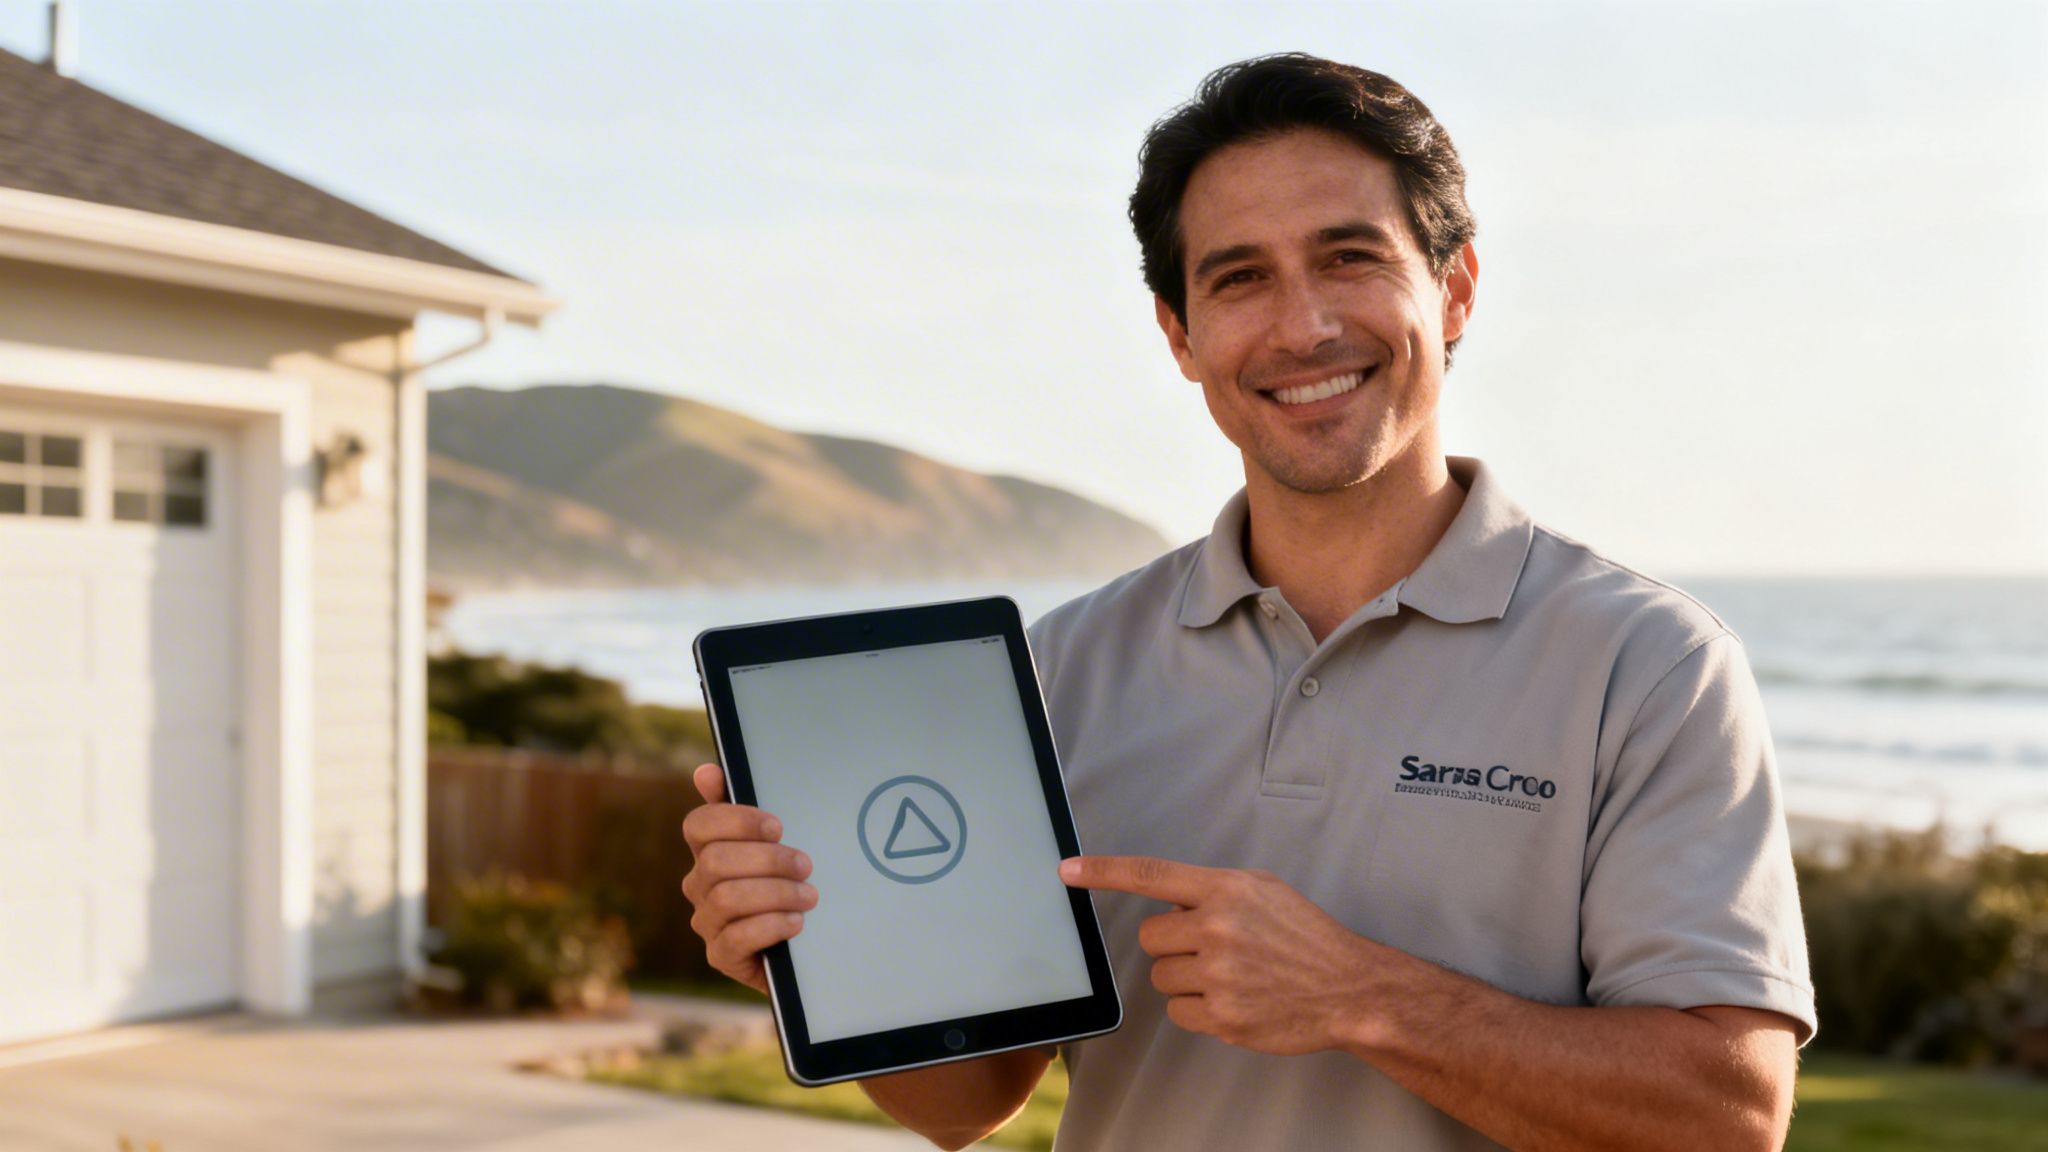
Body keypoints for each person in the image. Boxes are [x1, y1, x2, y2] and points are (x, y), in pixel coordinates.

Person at [682, 53, 1815, 1151]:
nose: (1301, 326)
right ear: (1179, 335)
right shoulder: (1063, 668)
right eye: (1238, 278)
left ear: (1454, 287)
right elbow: (963, 1104)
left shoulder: (1647, 666)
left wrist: (1363, 996)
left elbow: (1726, 1121)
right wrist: (811, 953)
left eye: (1348, 258)